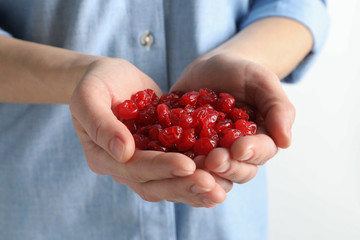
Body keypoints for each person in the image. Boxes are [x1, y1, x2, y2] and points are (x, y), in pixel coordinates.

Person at [0, 0, 328, 239]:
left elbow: (298, 6)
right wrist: (78, 76)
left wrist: (242, 59)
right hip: (48, 210)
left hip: (223, 221)